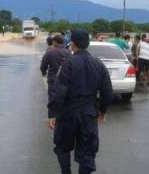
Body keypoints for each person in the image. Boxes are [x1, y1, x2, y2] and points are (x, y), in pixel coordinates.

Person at [48, 29, 113, 174]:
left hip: (67, 114)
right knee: (87, 150)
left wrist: (53, 114)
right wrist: (102, 111)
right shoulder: (98, 65)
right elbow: (107, 91)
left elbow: (59, 92)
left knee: (62, 146)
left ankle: (66, 172)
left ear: (73, 44)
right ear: (87, 44)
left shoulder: (68, 64)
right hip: (89, 114)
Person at [40, 35, 71, 105]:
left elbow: (43, 65)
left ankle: (53, 113)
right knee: (65, 97)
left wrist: (44, 73)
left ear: (54, 42)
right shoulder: (68, 53)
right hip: (66, 80)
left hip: (53, 78)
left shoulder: (50, 52)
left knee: (52, 97)